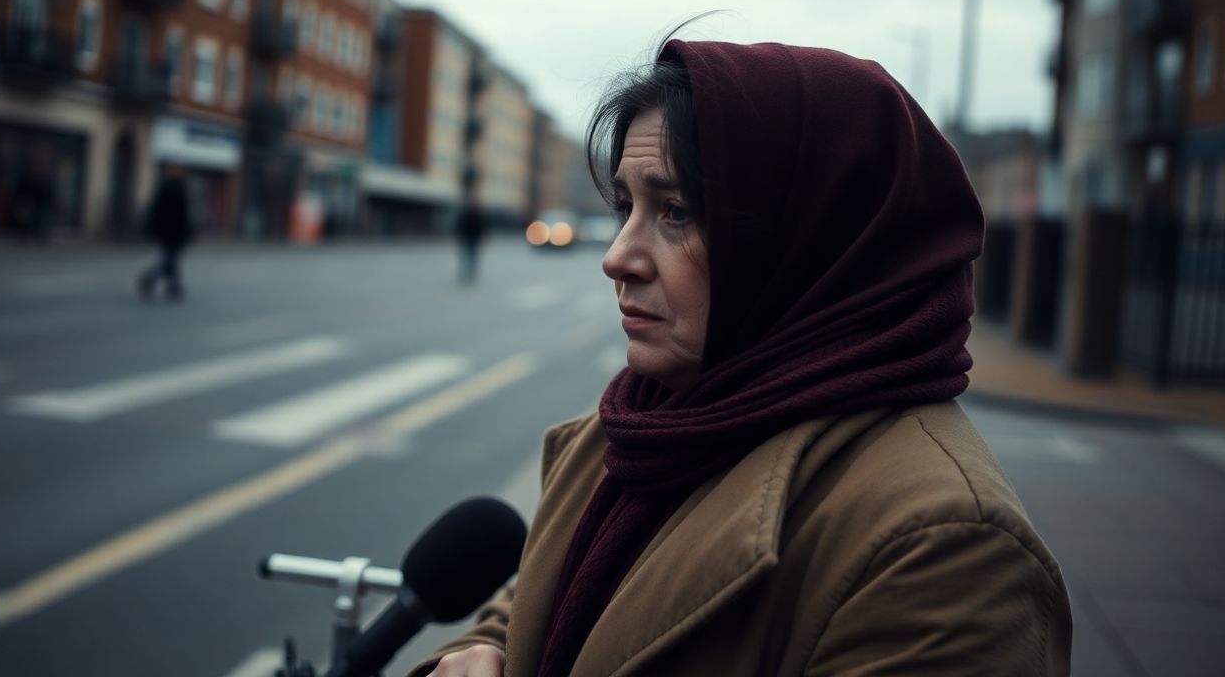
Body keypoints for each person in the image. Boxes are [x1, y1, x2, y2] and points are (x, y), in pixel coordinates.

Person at [411, 36, 1072, 676]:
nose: (617, 257)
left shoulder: (946, 548)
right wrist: (474, 655)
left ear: (812, 238)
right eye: (625, 207)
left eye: (675, 212)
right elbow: (531, 609)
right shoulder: (649, 424)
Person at [138, 165, 194, 301]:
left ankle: (173, 286)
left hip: (166, 231)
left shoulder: (166, 187)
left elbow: (156, 210)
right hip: (175, 231)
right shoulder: (179, 189)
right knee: (171, 258)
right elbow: (183, 215)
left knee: (171, 258)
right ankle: (151, 278)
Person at [455, 199, 487, 285]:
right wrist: (460, 236)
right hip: (467, 239)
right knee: (465, 257)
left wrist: (483, 237)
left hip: (474, 240)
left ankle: (471, 274)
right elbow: (460, 226)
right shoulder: (466, 215)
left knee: (472, 258)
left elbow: (482, 228)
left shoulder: (479, 216)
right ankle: (464, 274)